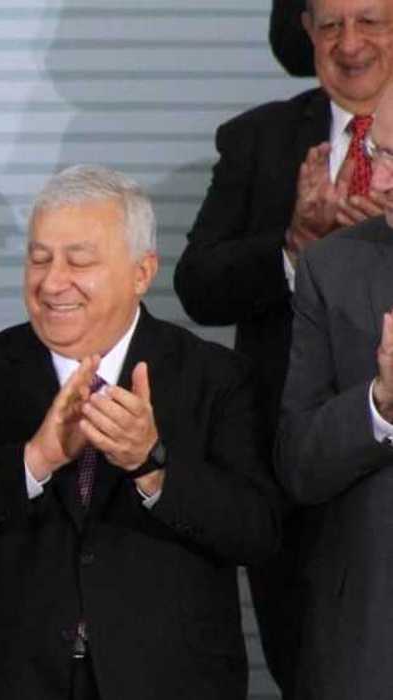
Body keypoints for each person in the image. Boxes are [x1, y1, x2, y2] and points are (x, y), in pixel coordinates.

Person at [0, 165, 283, 700]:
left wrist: (151, 466)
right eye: (38, 259)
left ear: (141, 272)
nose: (53, 282)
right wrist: (32, 462)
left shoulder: (217, 379)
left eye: (79, 261)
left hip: (168, 679)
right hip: (4, 678)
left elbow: (258, 531)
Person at [173, 0, 393, 691]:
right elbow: (198, 287)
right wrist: (294, 246)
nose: (348, 44)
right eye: (328, 25)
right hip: (294, 468)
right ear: (303, 33)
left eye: (371, 21)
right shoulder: (258, 140)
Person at [278, 81, 393, 700]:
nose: (375, 185)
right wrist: (379, 407)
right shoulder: (332, 269)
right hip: (372, 642)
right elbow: (296, 462)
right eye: (377, 154)